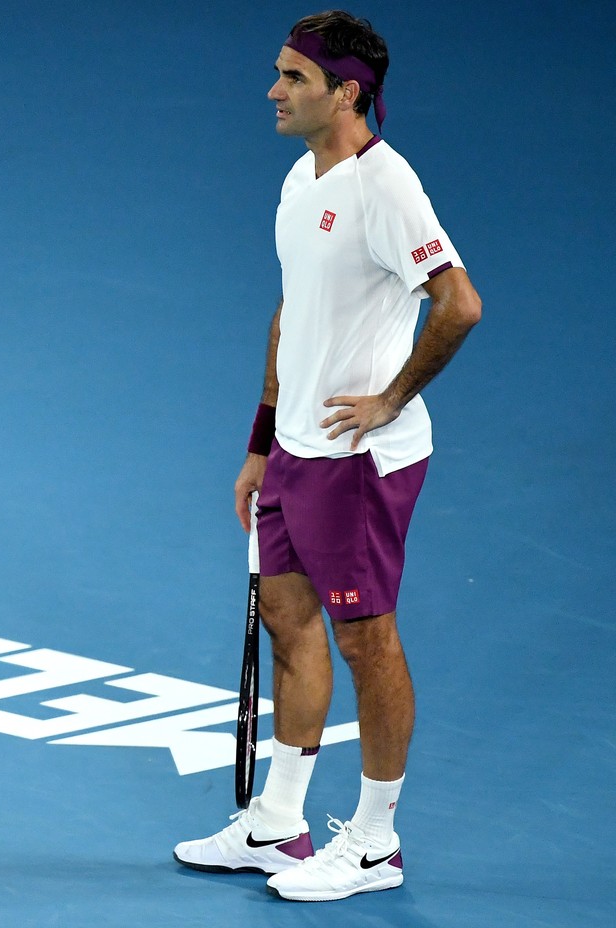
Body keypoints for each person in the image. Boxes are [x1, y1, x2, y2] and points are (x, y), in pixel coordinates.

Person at [172, 10, 482, 902]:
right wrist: (262, 443)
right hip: (299, 453)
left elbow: (457, 303)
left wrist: (389, 400)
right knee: (287, 619)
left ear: (346, 92)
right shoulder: (299, 181)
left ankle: (377, 842)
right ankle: (281, 825)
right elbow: (289, 316)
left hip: (358, 460)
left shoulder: (387, 188)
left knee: (366, 641)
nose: (273, 90)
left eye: (293, 78)